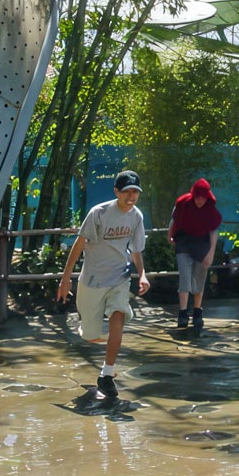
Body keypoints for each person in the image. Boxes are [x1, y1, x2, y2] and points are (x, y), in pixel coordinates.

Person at [56, 170, 150, 398]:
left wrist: (143, 274)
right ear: (116, 191)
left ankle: (106, 375)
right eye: (126, 191)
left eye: (135, 192)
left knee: (119, 315)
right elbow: (79, 245)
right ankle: (104, 342)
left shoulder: (136, 216)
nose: (131, 196)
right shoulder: (99, 213)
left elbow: (136, 250)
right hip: (92, 280)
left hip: (119, 278)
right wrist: (66, 278)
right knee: (90, 335)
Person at [167, 178, 222, 333]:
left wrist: (211, 253)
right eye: (197, 197)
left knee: (199, 277)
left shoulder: (211, 210)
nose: (199, 201)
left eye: (203, 197)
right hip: (184, 242)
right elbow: (175, 219)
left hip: (202, 244)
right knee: (184, 276)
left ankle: (197, 312)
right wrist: (170, 235)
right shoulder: (183, 203)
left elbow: (214, 230)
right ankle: (182, 313)